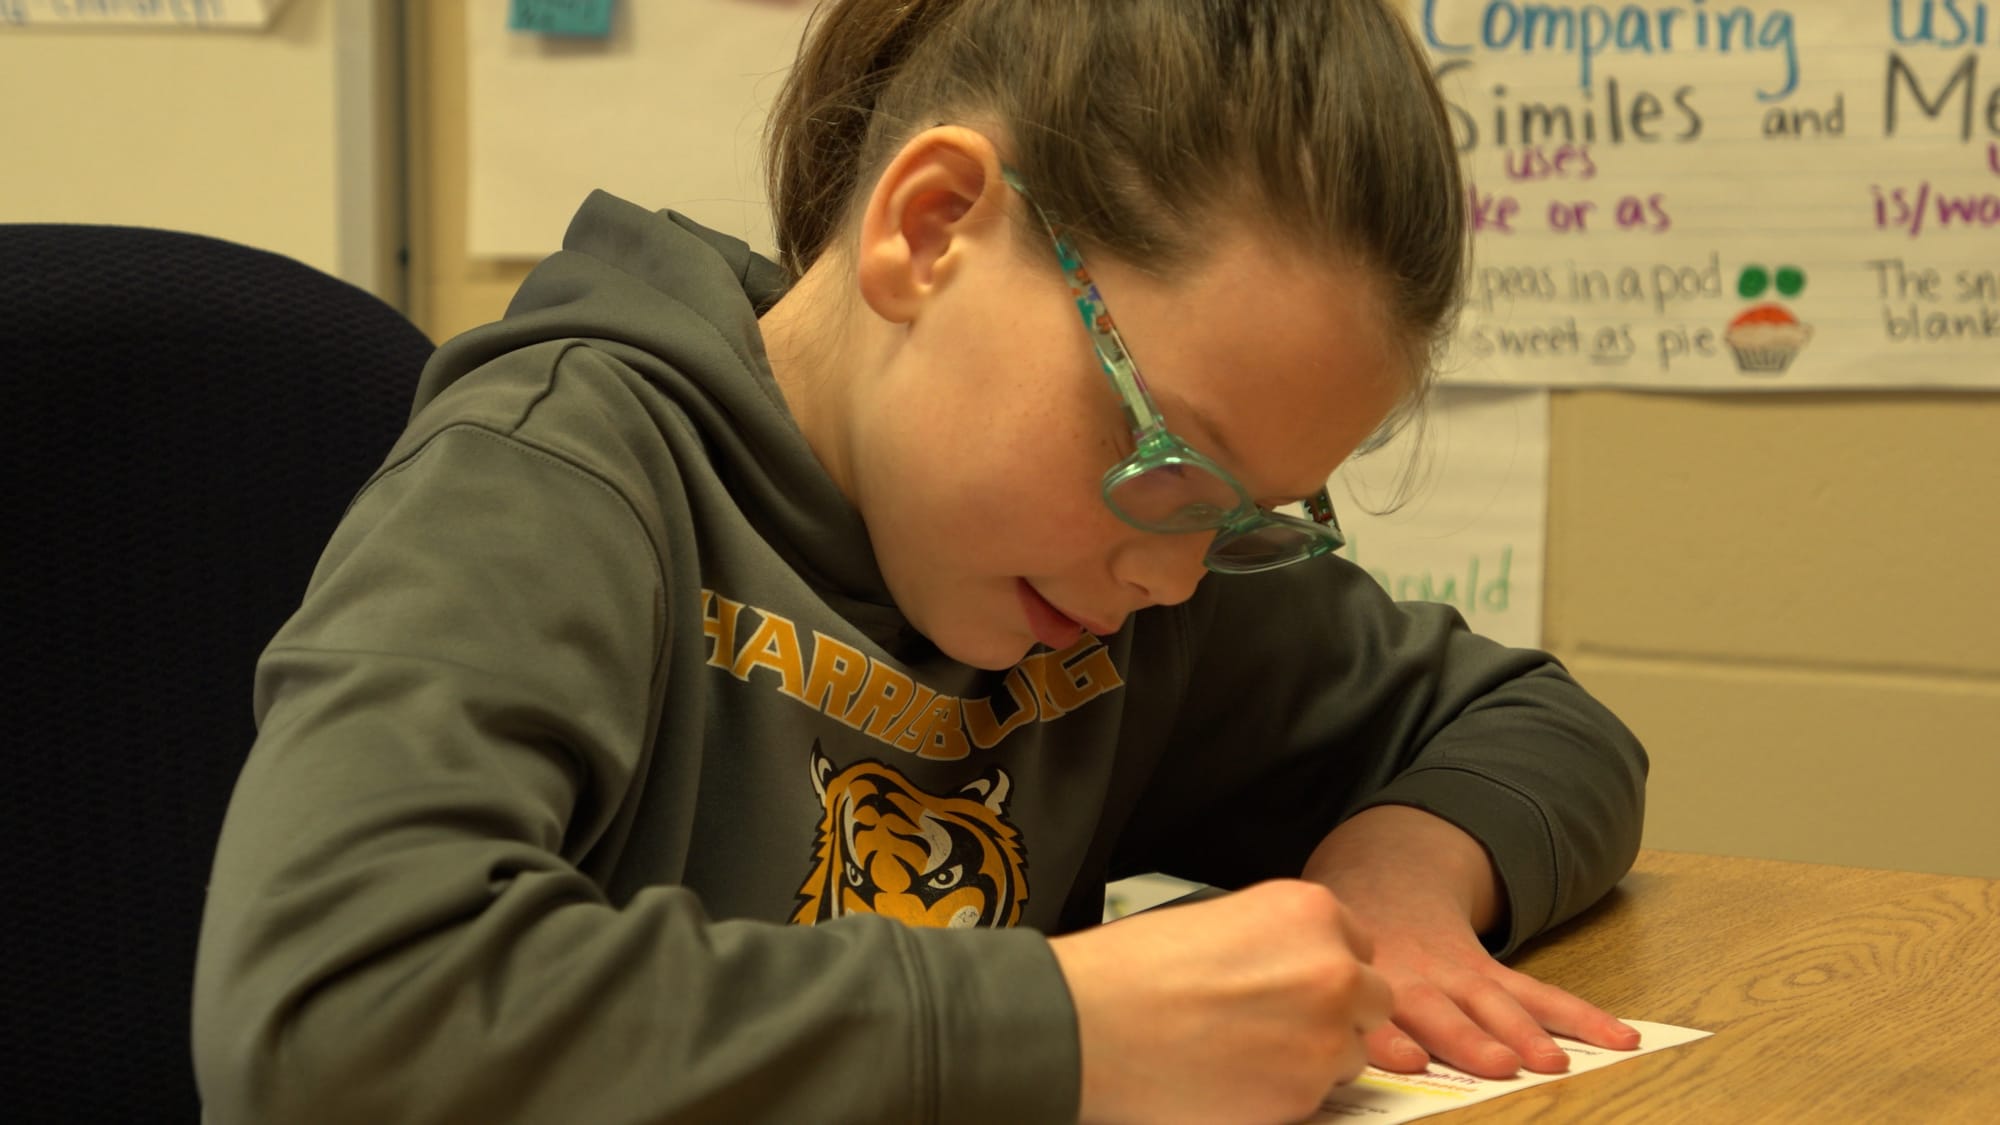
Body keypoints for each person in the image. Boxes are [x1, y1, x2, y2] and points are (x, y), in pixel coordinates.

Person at [193, 1, 1647, 1122]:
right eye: (1169, 461)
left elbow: (1539, 725)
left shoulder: (1120, 574)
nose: (1183, 574)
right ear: (932, 227)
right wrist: (1062, 1027)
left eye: (1245, 512)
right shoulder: (560, 482)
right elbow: (330, 1016)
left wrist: (1398, 878)